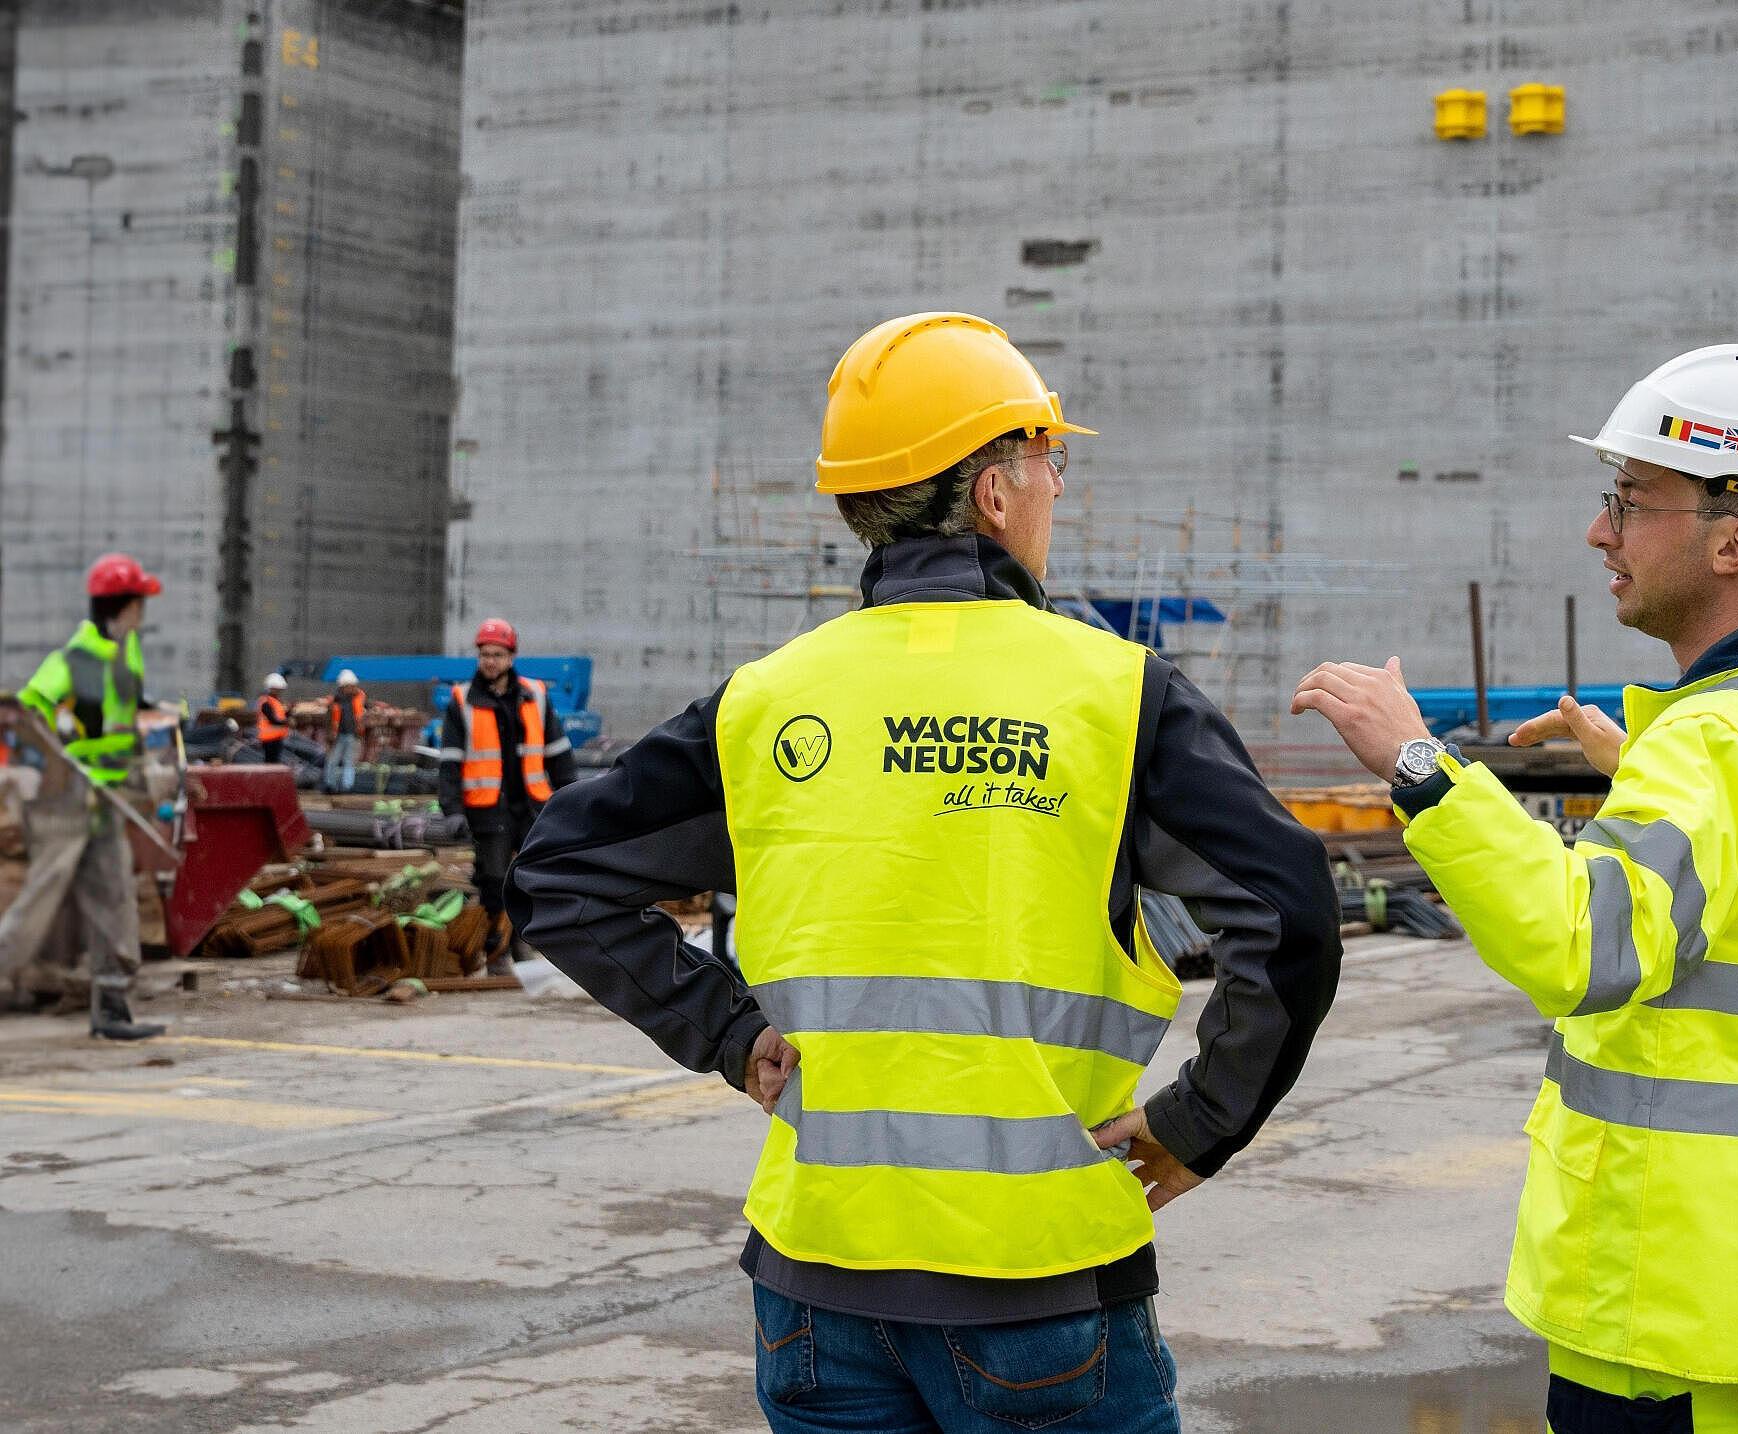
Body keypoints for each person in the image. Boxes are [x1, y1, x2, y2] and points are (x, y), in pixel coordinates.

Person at [512, 312, 1342, 1434]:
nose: (1058, 487)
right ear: (994, 492)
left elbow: (559, 872)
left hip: (813, 1286)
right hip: (1039, 1288)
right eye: (1050, 460)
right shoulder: (1116, 696)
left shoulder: (765, 702)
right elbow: (1289, 914)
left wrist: (725, 1030)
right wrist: (1200, 1123)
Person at [1292, 344, 1738, 1434]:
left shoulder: (1719, 740)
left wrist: (1419, 765)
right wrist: (1639, 765)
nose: (1600, 530)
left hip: (1660, 1299)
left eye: (1630, 501)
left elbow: (1582, 944)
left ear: (1732, 539)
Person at [0, 552, 172, 1039]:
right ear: (126, 605)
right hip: (69, 797)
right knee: (40, 899)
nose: (142, 612)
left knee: (115, 897)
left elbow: (123, 709)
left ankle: (111, 1010)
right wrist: (62, 745)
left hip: (106, 796)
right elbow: (27, 710)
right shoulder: (73, 660)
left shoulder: (127, 651)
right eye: (139, 603)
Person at [437, 622, 574, 975]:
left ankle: (522, 945)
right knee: (494, 881)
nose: (490, 661)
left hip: (531, 806)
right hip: (488, 809)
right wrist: (452, 810)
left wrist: (571, 800)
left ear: (511, 657)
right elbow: (450, 762)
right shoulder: (462, 700)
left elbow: (558, 753)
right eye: (485, 654)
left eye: (497, 655)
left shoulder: (535, 695)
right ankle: (495, 950)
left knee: (533, 879)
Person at [325, 669, 368, 791]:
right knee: (333, 761)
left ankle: (347, 786)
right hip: (337, 735)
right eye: (350, 686)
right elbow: (329, 719)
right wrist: (330, 734)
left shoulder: (358, 699)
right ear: (343, 687)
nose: (353, 688)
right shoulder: (335, 701)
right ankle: (330, 785)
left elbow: (361, 714)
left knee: (349, 762)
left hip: (352, 735)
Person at [254, 674, 292, 765]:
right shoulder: (265, 702)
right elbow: (272, 720)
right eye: (277, 689)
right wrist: (287, 722)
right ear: (270, 688)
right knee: (270, 763)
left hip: (277, 738)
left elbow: (281, 716)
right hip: (269, 739)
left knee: (274, 762)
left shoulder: (275, 701)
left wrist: (289, 711)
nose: (279, 691)